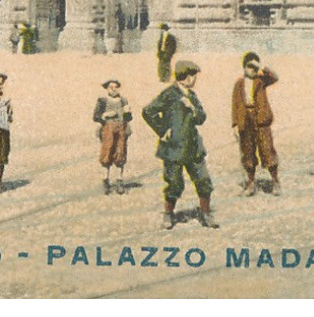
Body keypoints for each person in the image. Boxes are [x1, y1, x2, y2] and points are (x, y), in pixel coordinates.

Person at [143, 60, 217, 229]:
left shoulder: (192, 96)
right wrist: (162, 130)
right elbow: (148, 111)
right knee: (174, 184)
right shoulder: (169, 94)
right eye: (193, 76)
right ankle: (168, 215)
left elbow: (201, 118)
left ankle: (206, 214)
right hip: (173, 149)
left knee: (203, 180)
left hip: (193, 148)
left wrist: (192, 107)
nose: (195, 79)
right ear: (187, 77)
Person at [230, 52, 280, 197]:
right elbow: (235, 104)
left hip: (261, 120)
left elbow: (274, 78)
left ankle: (275, 181)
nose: (251, 70)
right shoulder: (239, 83)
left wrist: (261, 68)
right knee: (248, 153)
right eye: (249, 66)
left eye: (254, 67)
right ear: (244, 67)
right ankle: (251, 184)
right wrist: (234, 124)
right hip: (245, 120)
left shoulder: (261, 80)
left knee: (267, 150)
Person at [94, 79, 132, 194]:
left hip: (121, 128)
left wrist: (127, 113)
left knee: (120, 151)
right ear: (106, 88)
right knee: (107, 151)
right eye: (111, 87)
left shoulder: (123, 100)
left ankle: (119, 180)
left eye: (116, 87)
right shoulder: (102, 101)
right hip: (107, 129)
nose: (113, 89)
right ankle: (106, 179)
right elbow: (96, 117)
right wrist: (105, 115)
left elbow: (129, 118)